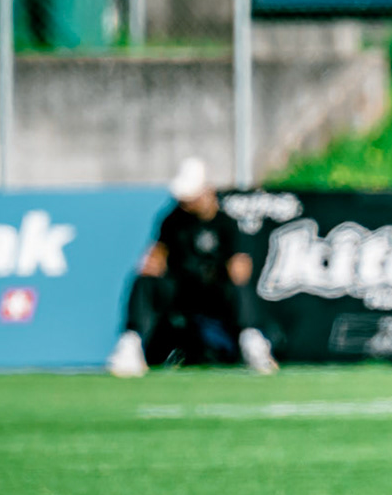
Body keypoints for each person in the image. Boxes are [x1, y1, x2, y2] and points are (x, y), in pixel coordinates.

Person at [108, 158, 278, 377]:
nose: (185, 203)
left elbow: (242, 266)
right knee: (145, 282)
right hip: (181, 290)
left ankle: (252, 342)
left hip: (215, 292)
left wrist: (231, 268)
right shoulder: (172, 220)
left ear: (205, 191)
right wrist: (153, 263)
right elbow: (157, 256)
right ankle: (131, 343)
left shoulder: (227, 223)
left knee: (238, 287)